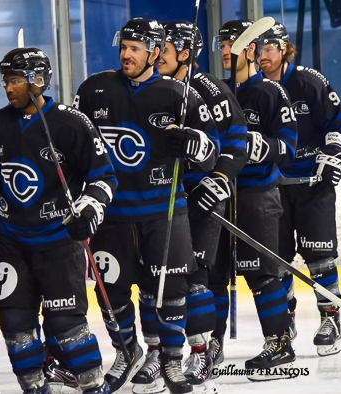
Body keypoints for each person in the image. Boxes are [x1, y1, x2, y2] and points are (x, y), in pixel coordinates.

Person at [73, 18, 218, 394]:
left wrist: (194, 145)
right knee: (112, 292)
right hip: (113, 215)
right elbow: (76, 150)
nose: (126, 54)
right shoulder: (94, 89)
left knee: (169, 289)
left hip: (163, 211)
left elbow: (211, 153)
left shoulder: (181, 95)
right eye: (124, 47)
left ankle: (170, 360)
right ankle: (127, 350)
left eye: (136, 48)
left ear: (155, 52)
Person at [0, 47, 117, 394]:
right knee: (15, 321)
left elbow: (104, 176)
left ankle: (92, 386)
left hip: (59, 241)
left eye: (16, 80)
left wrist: (90, 207)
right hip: (14, 243)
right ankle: (34, 388)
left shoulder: (71, 122)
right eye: (6, 81)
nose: (9, 88)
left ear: (38, 80)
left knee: (66, 322)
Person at [158, 20, 248, 390]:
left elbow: (238, 141)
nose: (157, 54)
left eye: (164, 48)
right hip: (166, 200)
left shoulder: (210, 87)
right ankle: (164, 354)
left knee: (198, 274)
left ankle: (205, 348)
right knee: (166, 279)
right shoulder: (155, 88)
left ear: (184, 52)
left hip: (204, 195)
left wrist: (220, 179)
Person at [210, 19, 298, 380]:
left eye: (234, 43)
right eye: (223, 43)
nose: (226, 49)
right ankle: (210, 345)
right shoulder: (214, 91)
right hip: (219, 195)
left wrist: (262, 147)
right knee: (212, 275)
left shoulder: (270, 92)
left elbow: (289, 147)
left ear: (250, 49)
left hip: (257, 195)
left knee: (261, 275)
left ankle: (279, 343)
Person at [257, 22, 341, 356]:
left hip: (313, 185)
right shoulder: (254, 90)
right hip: (271, 189)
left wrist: (334, 154)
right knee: (276, 261)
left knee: (320, 258)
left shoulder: (309, 81)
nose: (262, 56)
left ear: (284, 49)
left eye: (269, 49)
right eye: (258, 49)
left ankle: (330, 319)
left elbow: (337, 124)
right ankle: (285, 320)